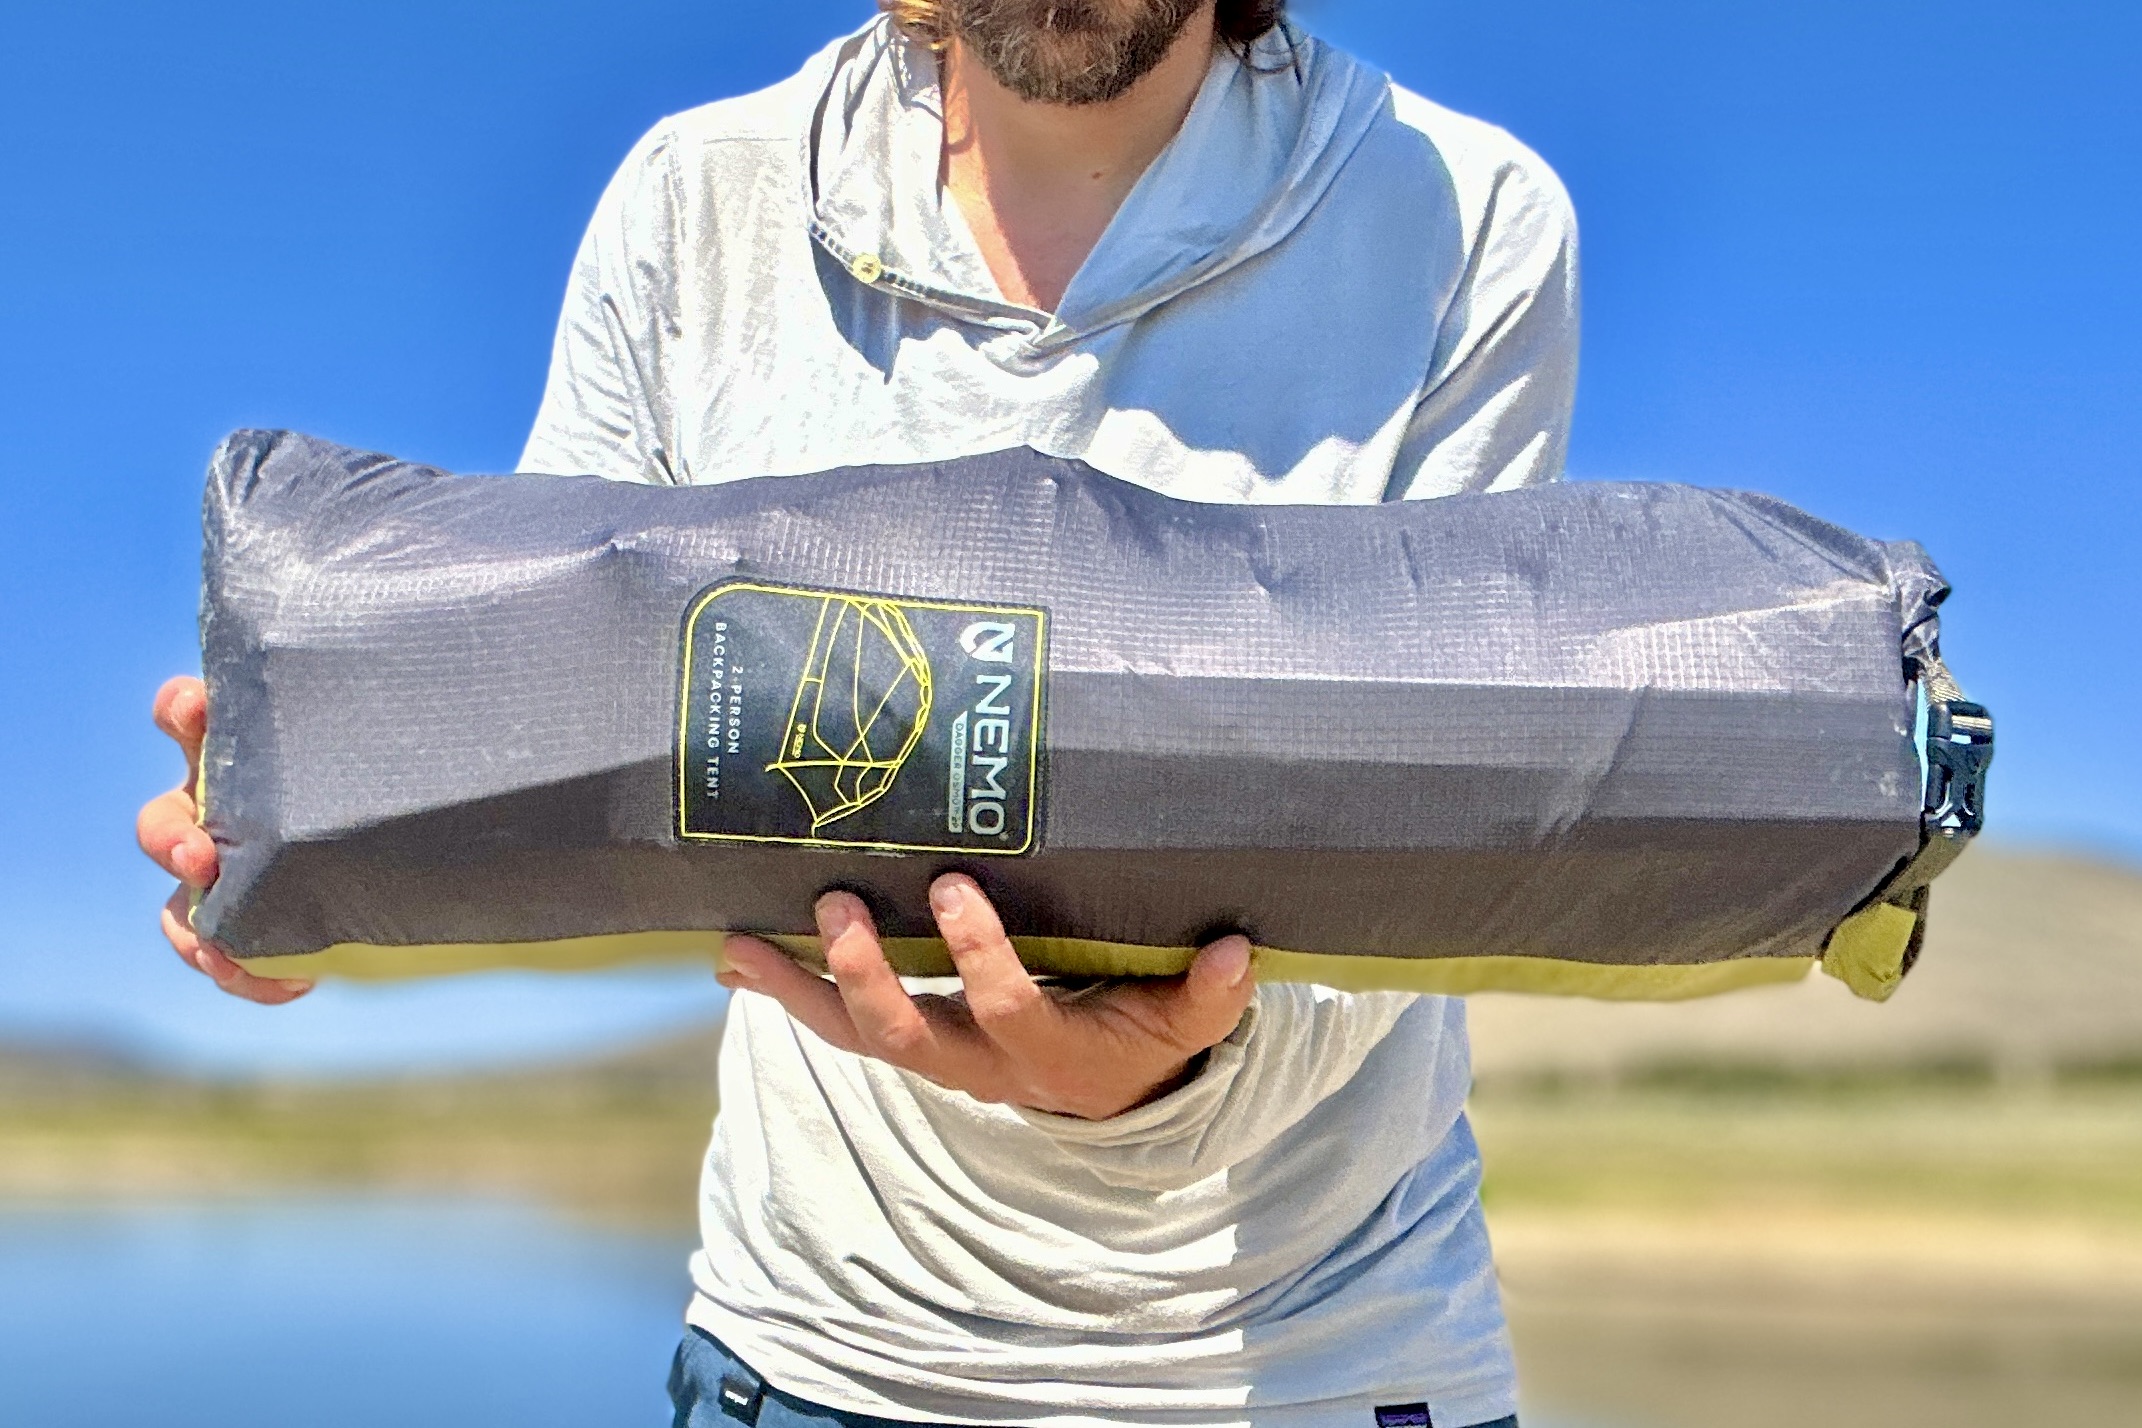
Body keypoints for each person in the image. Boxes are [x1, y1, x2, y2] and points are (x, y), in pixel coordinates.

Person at [138, 2, 1576, 1424]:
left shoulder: (1460, 218)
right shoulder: (696, 201)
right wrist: (325, 842)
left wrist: (1164, 1065)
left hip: (1315, 1360)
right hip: (812, 1356)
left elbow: (1453, 813)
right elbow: (563, 701)